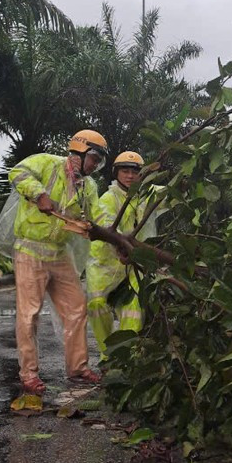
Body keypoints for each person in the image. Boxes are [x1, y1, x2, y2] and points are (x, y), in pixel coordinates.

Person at [8, 130, 108, 395]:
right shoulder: (47, 163)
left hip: (59, 252)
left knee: (77, 308)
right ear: (80, 151)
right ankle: (29, 374)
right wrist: (38, 194)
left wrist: (113, 238)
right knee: (29, 315)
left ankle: (78, 368)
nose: (95, 165)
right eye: (94, 158)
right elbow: (17, 172)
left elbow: (97, 218)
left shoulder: (89, 186)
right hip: (30, 249)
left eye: (99, 161)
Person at [86, 150, 146, 359]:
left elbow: (167, 194)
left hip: (132, 265)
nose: (130, 176)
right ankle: (108, 356)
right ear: (116, 173)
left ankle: (126, 355)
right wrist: (120, 245)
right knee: (96, 306)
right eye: (125, 171)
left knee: (134, 307)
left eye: (134, 172)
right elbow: (105, 224)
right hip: (105, 265)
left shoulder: (145, 196)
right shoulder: (107, 199)